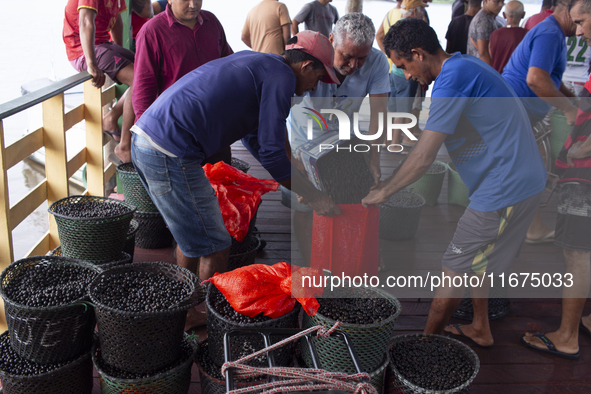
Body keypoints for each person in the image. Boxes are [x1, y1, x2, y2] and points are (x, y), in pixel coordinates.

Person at [362, 18, 547, 347]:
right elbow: (437, 133)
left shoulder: (451, 79)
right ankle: (480, 327)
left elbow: (422, 159)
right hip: (517, 178)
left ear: (418, 54)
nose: (405, 75)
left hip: (506, 187)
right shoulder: (463, 65)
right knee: (480, 260)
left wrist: (383, 191)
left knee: (455, 265)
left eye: (404, 65)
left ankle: (424, 345)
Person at [131, 30, 340, 285]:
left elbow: (256, 139)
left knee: (192, 234)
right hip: (170, 151)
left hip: (145, 139)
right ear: (306, 65)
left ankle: (184, 305)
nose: (313, 88)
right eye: (317, 78)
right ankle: (201, 314)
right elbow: (273, 154)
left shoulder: (260, 63)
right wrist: (314, 196)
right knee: (216, 243)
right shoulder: (282, 76)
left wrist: (292, 174)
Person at [285, 13, 390, 264]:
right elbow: (278, 115)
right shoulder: (311, 59)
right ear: (331, 40)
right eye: (346, 56)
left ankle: (340, 257)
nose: (354, 65)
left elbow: (379, 116)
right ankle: (311, 263)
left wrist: (374, 160)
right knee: (303, 205)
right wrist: (293, 164)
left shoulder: (377, 63)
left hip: (343, 140)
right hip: (302, 139)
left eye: (361, 58)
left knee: (345, 200)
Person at [521, 0, 591, 360]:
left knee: (577, 252)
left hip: (584, 174)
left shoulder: (549, 31)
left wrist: (583, 146)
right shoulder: (553, 32)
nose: (578, 32)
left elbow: (536, 78)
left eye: (582, 22)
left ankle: (566, 335)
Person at [502, 0, 578, 244]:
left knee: (524, 169)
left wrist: (571, 97)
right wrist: (567, 109)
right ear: (567, 8)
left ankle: (524, 225)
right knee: (529, 171)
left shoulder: (552, 31)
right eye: (579, 19)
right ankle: (530, 228)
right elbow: (535, 79)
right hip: (514, 110)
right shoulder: (549, 34)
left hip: (516, 109)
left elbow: (549, 75)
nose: (581, 27)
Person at [133, 0, 233, 164]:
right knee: (186, 186)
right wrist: (144, 141)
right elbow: (143, 90)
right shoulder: (152, 32)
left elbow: (229, 65)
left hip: (215, 127)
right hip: (176, 132)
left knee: (221, 183)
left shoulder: (212, 22)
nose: (193, 5)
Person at [63, 0, 136, 163]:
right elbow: (85, 21)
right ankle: (124, 146)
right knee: (139, 80)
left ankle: (111, 118)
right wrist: (91, 63)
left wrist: (120, 53)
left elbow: (117, 21)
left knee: (149, 70)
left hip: (104, 45)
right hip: (82, 51)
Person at [489, 0, 528, 73]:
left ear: (504, 15)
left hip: (496, 77)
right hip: (515, 81)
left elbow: (490, 57)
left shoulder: (495, 34)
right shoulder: (527, 34)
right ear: (523, 15)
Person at [467, 0, 505, 64]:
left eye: (502, 1)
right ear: (486, 1)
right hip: (480, 66)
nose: (501, 4)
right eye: (497, 1)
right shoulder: (484, 20)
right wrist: (491, 72)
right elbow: (483, 53)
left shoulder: (487, 17)